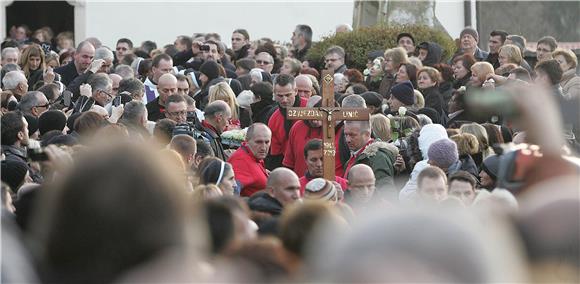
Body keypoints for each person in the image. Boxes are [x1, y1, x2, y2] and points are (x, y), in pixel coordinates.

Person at [343, 120, 397, 200]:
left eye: (352, 135)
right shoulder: (356, 156)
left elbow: (386, 192)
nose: (348, 140)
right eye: (346, 134)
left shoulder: (377, 157)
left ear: (367, 134)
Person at [266, 74, 307, 169]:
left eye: (288, 95)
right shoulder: (274, 119)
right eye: (280, 96)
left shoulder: (310, 109)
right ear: (274, 93)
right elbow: (276, 155)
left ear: (296, 91)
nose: (284, 100)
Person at [228, 123, 271, 197]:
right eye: (258, 142)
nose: (263, 147)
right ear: (247, 141)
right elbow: (232, 193)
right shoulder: (240, 161)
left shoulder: (254, 154)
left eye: (267, 142)